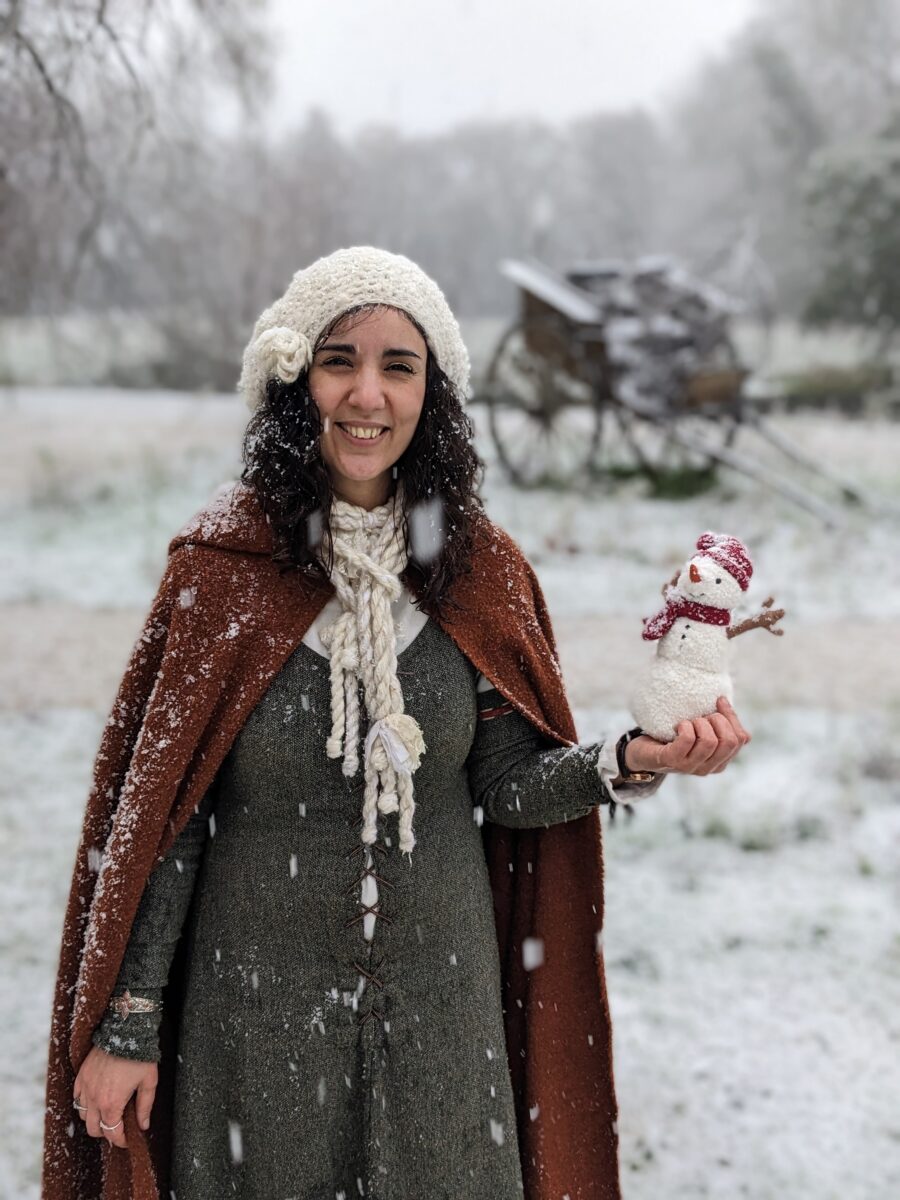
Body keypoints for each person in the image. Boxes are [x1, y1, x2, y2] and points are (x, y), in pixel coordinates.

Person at [44, 246, 750, 1200]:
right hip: (255, 1021)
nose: (367, 394)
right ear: (298, 376)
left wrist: (625, 760)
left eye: (398, 366)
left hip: (441, 1018)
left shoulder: (481, 570)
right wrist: (129, 1024)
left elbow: (505, 784)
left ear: (435, 392)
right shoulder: (222, 575)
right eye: (340, 360)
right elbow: (165, 829)